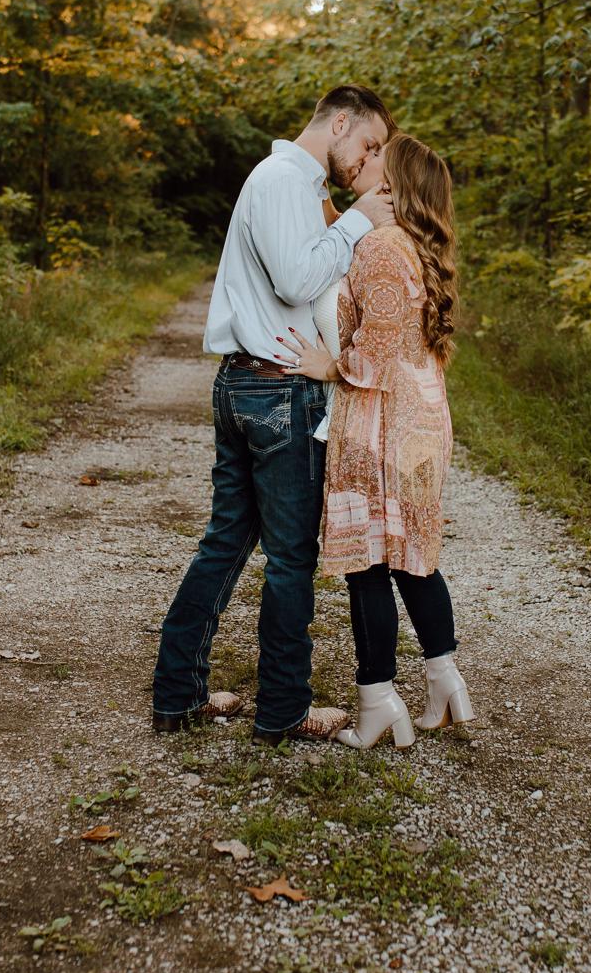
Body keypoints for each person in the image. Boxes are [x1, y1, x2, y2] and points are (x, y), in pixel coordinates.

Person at [151, 85, 396, 746]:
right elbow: (297, 280)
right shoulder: (285, 178)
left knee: (226, 543)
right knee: (290, 559)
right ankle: (284, 709)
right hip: (278, 393)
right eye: (368, 143)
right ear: (339, 123)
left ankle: (177, 694)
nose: (367, 158)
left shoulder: (290, 182)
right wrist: (358, 222)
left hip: (243, 384)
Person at [275, 134, 475, 750]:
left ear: (393, 186)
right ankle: (443, 679)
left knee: (368, 563)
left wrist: (329, 366)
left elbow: (376, 347)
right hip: (418, 420)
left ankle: (378, 702)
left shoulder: (383, 248)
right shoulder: (406, 243)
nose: (362, 162)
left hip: (382, 424)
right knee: (411, 557)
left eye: (374, 160)